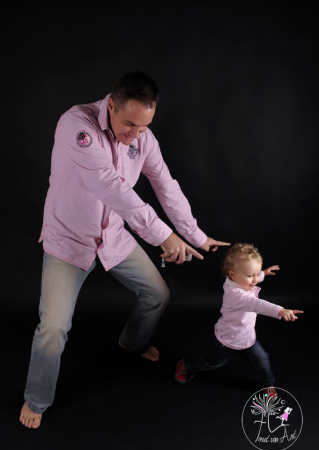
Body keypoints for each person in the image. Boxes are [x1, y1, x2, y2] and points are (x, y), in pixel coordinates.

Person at [20, 71, 230, 429]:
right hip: (69, 240)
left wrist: (195, 234)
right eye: (129, 124)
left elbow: (166, 185)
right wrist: (163, 236)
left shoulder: (142, 138)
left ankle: (131, 343)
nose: (135, 134)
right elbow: (111, 187)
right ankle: (36, 399)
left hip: (113, 236)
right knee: (54, 327)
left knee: (158, 294)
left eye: (144, 126)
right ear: (111, 105)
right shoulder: (77, 125)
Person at [174, 243, 303, 397]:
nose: (255, 280)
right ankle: (186, 364)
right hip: (228, 339)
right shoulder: (236, 295)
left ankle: (267, 384)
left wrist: (262, 274)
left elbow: (251, 276)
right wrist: (280, 311)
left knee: (262, 359)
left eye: (256, 274)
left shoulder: (241, 280)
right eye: (251, 276)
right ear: (233, 275)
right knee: (212, 363)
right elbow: (257, 304)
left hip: (247, 336)